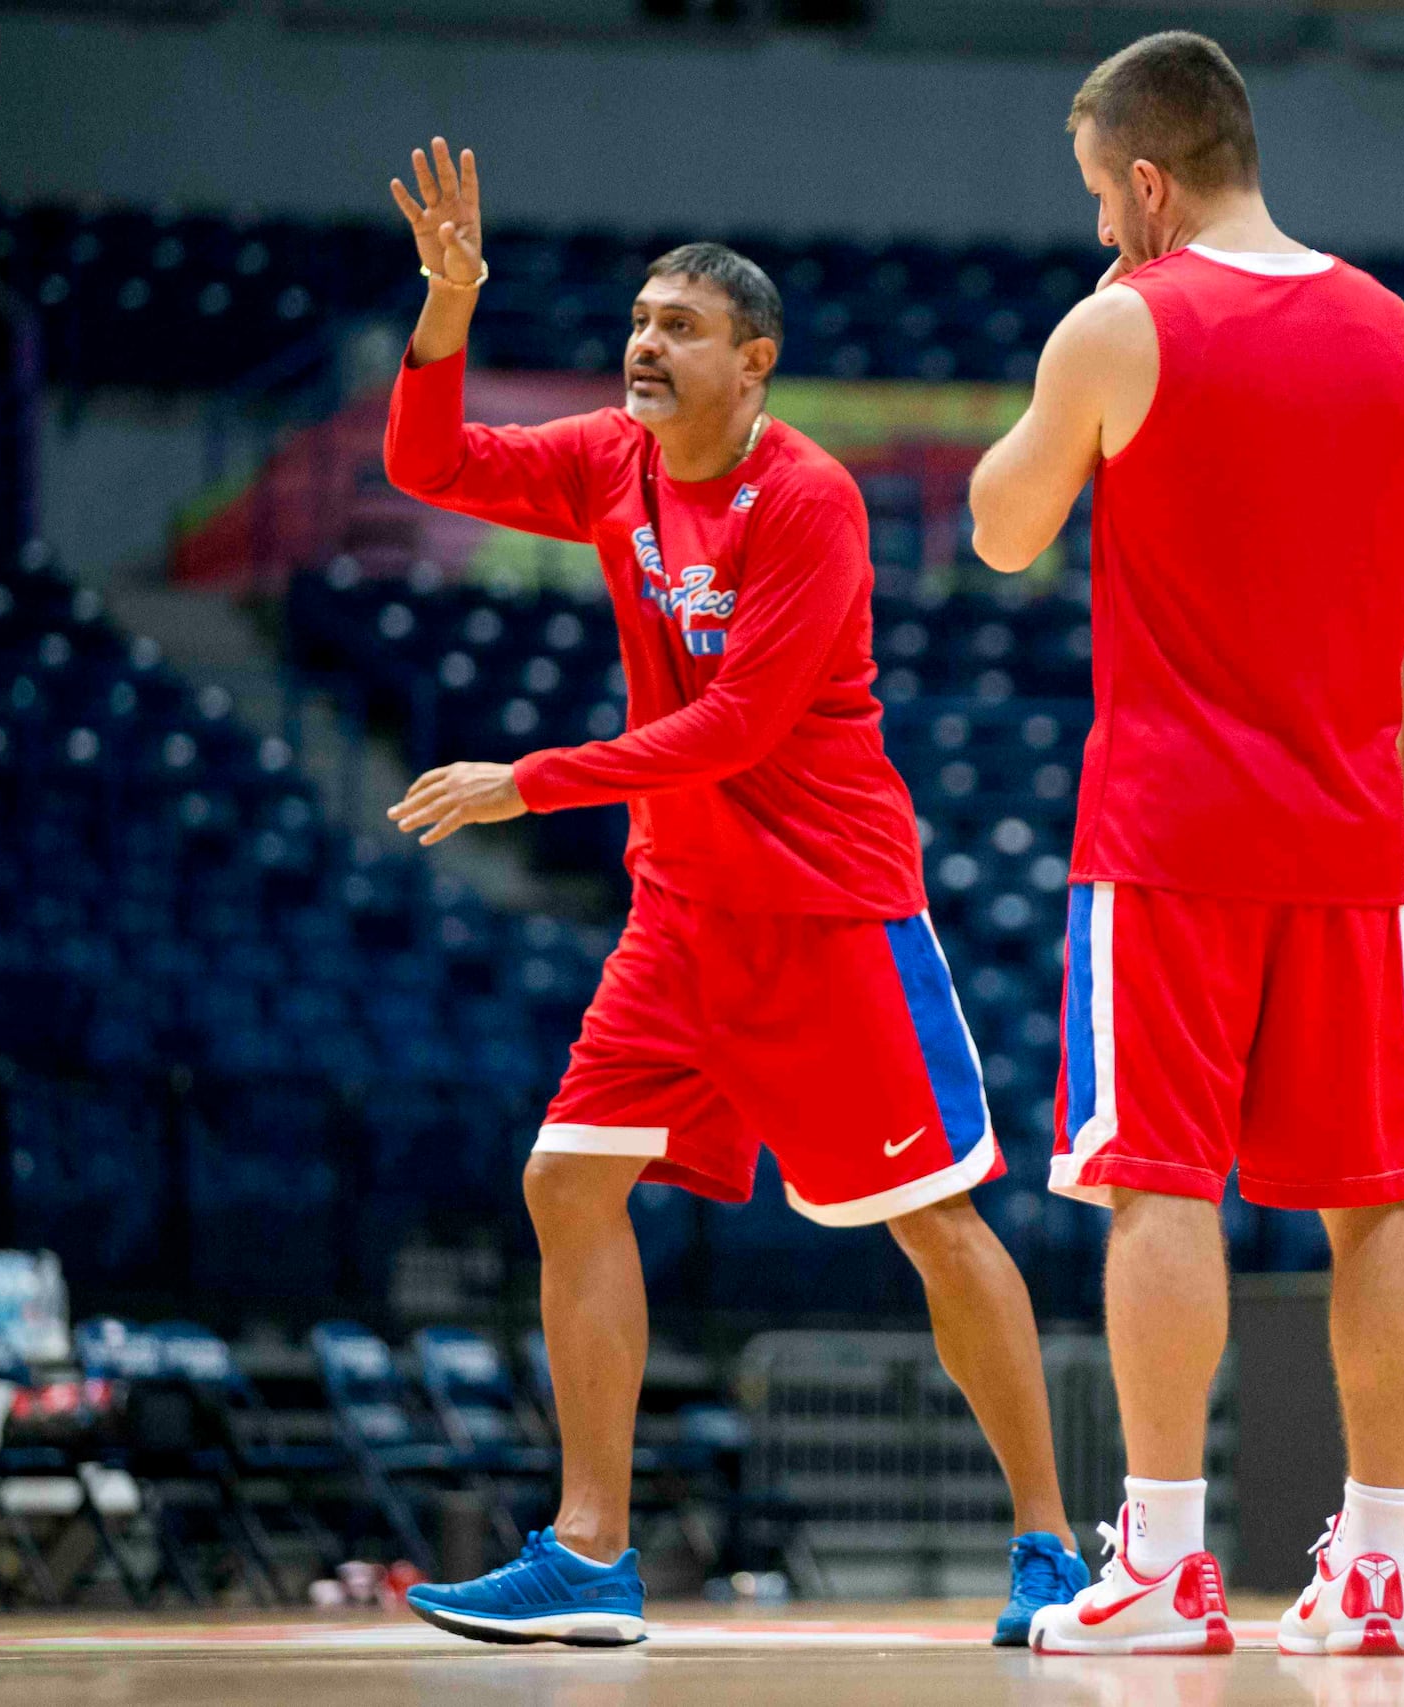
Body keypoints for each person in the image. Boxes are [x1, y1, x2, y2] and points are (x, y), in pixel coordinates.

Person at [375, 139, 1088, 1648]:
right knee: (567, 1178)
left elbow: (738, 728)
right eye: (639, 319)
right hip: (681, 914)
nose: (643, 341)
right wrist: (447, 316)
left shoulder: (808, 500)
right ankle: (589, 1551)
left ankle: (1050, 1543)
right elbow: (428, 465)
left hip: (827, 914)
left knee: (938, 1226)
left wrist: (532, 776)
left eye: (680, 324)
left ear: (753, 362)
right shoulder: (609, 461)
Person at [967, 32, 1404, 1659]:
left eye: (1097, 195)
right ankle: (1377, 1567)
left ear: (1143, 179)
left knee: (1157, 1181)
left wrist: (1072, 361)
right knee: (1375, 1198)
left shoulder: (1121, 321)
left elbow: (999, 525)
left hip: (1172, 826)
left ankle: (1171, 1561)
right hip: (1346, 827)